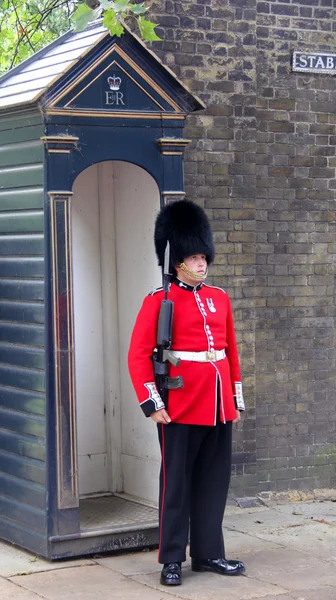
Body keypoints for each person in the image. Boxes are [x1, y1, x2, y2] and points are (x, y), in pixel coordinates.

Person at [128, 199, 246, 586]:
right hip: (179, 405)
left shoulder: (220, 298)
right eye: (193, 257)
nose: (201, 263)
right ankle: (172, 559)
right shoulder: (159, 300)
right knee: (176, 484)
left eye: (202, 257)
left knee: (214, 481)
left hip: (217, 404)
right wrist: (152, 403)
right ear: (177, 260)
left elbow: (229, 351)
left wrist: (234, 399)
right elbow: (138, 355)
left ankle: (210, 553)